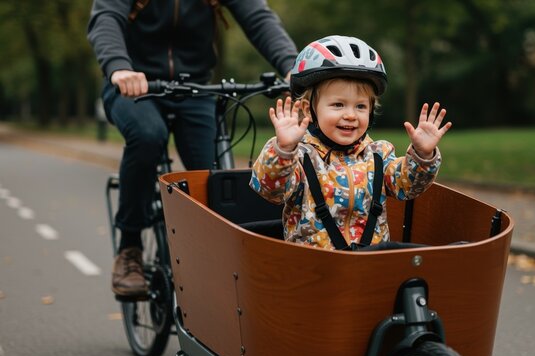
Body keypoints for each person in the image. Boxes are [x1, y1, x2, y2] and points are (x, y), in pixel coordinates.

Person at [87, 0, 298, 298]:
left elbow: (258, 18)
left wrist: (293, 66)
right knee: (148, 137)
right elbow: (106, 17)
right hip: (133, 84)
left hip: (195, 87)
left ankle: (219, 265)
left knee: (213, 179)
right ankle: (129, 249)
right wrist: (119, 67)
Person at [250, 35, 452, 250]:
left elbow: (408, 186)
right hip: (313, 267)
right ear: (309, 109)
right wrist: (283, 150)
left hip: (370, 264)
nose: (350, 115)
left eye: (361, 107)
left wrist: (423, 155)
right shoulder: (300, 156)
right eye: (338, 105)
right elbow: (271, 190)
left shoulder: (379, 154)